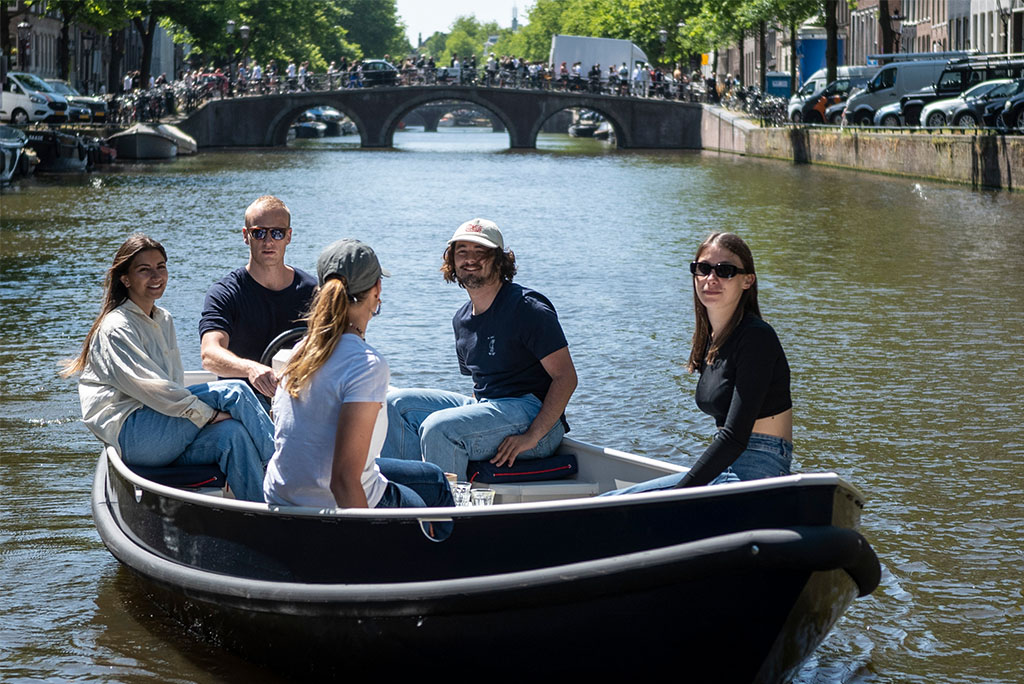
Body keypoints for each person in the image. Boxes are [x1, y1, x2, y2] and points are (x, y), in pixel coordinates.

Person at [63, 235, 275, 502]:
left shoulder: (163, 319)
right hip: (134, 437)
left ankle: (261, 515)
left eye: (161, 266)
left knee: (234, 435)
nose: (156, 275)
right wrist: (207, 415)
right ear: (125, 279)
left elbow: (172, 383)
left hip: (164, 434)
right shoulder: (115, 328)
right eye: (144, 269)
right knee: (234, 390)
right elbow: (155, 390)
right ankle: (287, 468)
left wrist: (211, 418)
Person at [382, 219, 578, 480]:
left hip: (535, 420)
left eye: (480, 252)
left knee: (439, 428)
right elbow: (481, 385)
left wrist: (532, 435)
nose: (470, 259)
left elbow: (566, 378)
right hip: (490, 405)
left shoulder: (527, 308)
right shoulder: (461, 319)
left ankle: (445, 515)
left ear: (499, 260)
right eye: (461, 251)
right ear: (451, 260)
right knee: (395, 405)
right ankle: (408, 497)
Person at [264, 239, 453, 509]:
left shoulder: (298, 352)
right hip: (330, 502)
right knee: (435, 492)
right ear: (377, 290)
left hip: (281, 499)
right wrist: (362, 545)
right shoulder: (366, 365)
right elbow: (342, 481)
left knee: (431, 477)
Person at [606, 232, 793, 494]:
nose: (711, 278)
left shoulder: (756, 337)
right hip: (726, 464)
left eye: (725, 270)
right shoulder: (712, 341)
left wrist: (679, 492)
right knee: (613, 499)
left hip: (759, 465)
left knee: (637, 508)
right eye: (703, 269)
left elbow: (735, 437)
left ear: (747, 280)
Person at [199, 196, 316, 405]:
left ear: (289, 236)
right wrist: (250, 369)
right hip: (245, 407)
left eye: (277, 233)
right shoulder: (225, 293)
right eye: (259, 233)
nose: (268, 241)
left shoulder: (314, 292)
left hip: (301, 403)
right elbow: (209, 354)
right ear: (246, 236)